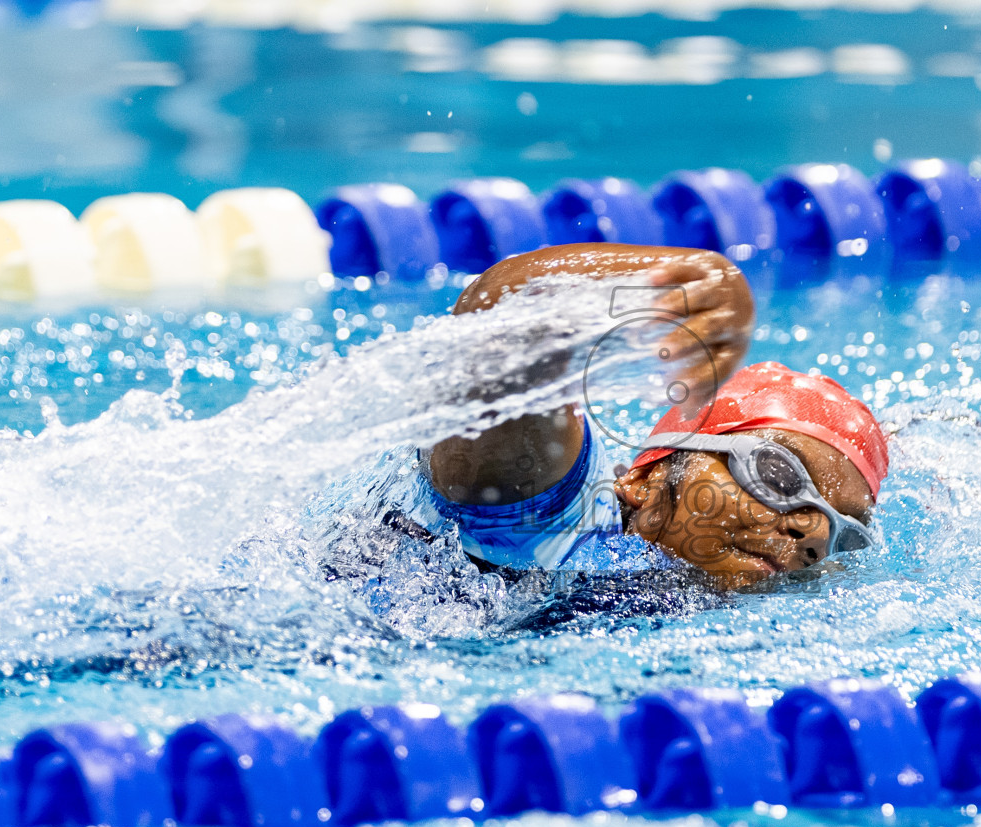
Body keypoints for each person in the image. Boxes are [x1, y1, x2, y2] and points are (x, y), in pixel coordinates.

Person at [311, 243, 889, 593]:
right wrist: (667, 284)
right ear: (643, 479)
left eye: (845, 534)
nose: (813, 534)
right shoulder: (558, 511)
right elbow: (496, 332)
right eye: (780, 477)